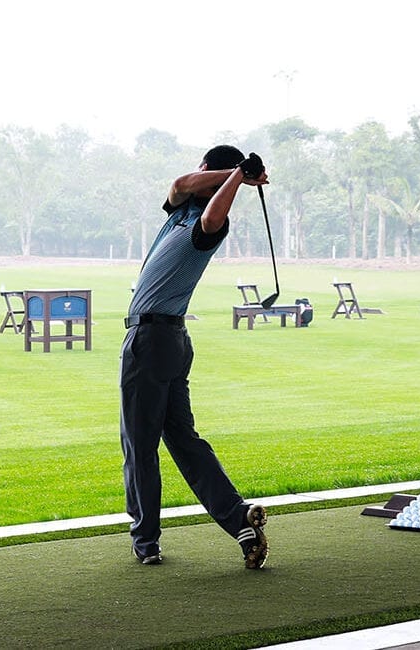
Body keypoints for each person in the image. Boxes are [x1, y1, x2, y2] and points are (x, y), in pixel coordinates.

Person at [120, 144, 270, 568]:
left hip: (152, 339)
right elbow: (180, 184)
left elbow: (210, 219)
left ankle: (145, 541)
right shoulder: (177, 209)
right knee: (184, 441)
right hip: (166, 341)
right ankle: (240, 521)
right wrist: (237, 172)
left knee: (139, 445)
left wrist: (236, 179)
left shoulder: (209, 223)